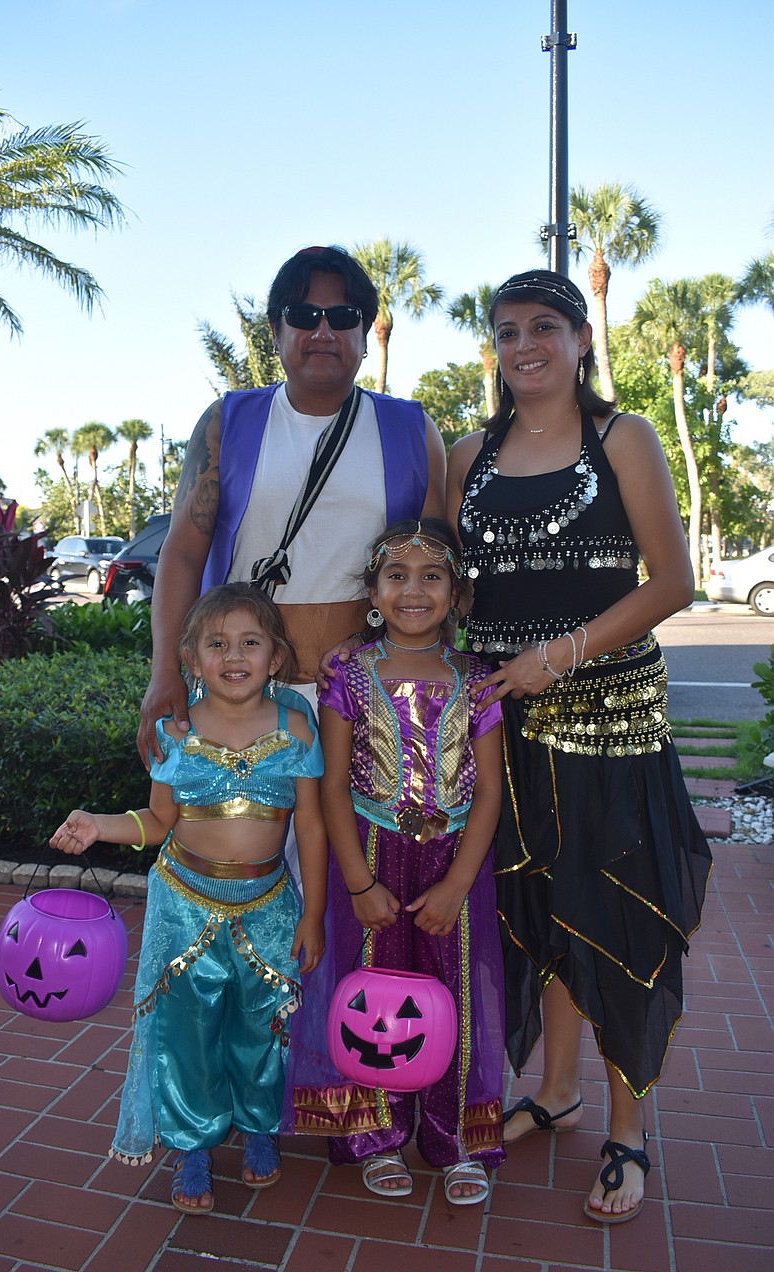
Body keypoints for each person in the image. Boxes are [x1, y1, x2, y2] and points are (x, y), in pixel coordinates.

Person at [445, 269, 712, 1225]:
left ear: (581, 339)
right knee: (536, 911)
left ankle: (628, 1128)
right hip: (503, 723)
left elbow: (672, 581)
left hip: (610, 721)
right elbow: (447, 583)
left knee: (620, 919)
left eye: (545, 327)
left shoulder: (623, 437)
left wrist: (559, 654)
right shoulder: (465, 452)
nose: (525, 346)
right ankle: (554, 1090)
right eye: (507, 329)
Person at [50, 583, 327, 1215]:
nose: (235, 655)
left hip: (269, 905)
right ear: (192, 657)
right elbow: (156, 821)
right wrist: (99, 823)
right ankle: (193, 1143)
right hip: (185, 906)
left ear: (276, 657)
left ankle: (259, 1128)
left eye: (250, 642)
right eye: (217, 643)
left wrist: (312, 912)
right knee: (189, 1032)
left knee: (263, 1024)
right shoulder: (174, 731)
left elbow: (310, 826)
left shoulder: (295, 726)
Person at [138, 244, 446, 769]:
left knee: (356, 850)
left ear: (365, 336)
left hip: (367, 691)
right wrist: (164, 669)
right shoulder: (226, 424)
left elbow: (437, 569)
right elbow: (183, 553)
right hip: (238, 688)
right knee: (237, 845)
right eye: (303, 316)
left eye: (342, 317)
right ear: (276, 333)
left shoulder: (412, 432)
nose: (323, 331)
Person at [285, 519, 505, 1206]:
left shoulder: (477, 681)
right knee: (373, 997)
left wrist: (459, 882)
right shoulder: (350, 673)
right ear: (374, 592)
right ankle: (372, 1132)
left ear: (457, 593)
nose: (414, 590)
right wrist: (357, 881)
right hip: (373, 852)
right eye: (397, 576)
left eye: (432, 576)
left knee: (457, 999)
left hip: (454, 863)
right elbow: (328, 784)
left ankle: (456, 1139)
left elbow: (493, 789)